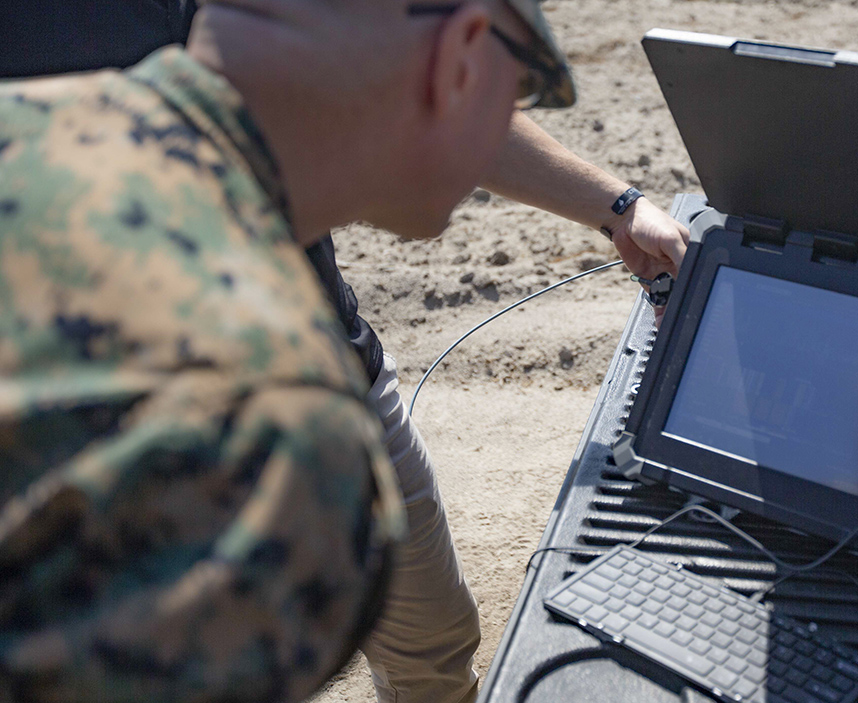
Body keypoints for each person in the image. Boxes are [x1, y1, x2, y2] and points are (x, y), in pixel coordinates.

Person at [0, 2, 690, 703]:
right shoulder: (277, 417)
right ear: (457, 63)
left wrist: (615, 204)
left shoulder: (28, 117)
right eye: (512, 93)